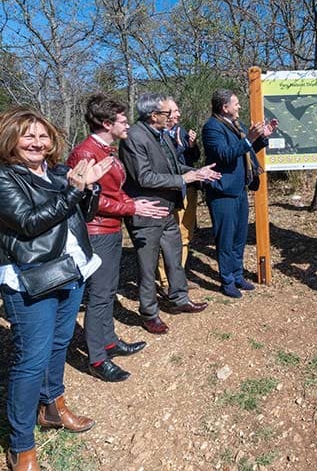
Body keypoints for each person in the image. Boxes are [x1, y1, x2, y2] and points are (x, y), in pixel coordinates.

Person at [0, 107, 111, 471]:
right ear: (10, 139)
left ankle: (52, 406)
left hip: (72, 271)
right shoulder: (5, 178)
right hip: (31, 279)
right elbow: (30, 224)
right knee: (30, 361)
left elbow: (84, 214)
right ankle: (21, 444)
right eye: (27, 135)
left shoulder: (59, 172)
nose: (37, 142)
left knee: (59, 344)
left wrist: (88, 187)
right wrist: (74, 191)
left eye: (42, 135)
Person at [67, 95, 169, 382]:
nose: (127, 124)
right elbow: (90, 201)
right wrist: (132, 206)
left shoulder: (106, 150)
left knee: (109, 290)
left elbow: (112, 192)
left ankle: (109, 341)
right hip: (96, 231)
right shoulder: (85, 153)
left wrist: (133, 202)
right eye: (123, 121)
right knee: (100, 295)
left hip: (111, 228)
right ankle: (97, 358)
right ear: (106, 123)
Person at [119, 93, 220, 334]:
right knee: (147, 265)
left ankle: (179, 298)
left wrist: (196, 172)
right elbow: (144, 176)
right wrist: (182, 179)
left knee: (175, 257)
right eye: (167, 113)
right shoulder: (134, 137)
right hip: (147, 212)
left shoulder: (161, 135)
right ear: (154, 115)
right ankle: (149, 313)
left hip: (167, 209)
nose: (172, 116)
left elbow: (174, 167)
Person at [202, 89, 278, 298]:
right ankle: (226, 281)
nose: (239, 107)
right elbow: (225, 155)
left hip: (239, 189)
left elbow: (247, 149)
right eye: (236, 104)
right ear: (225, 107)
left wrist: (262, 139)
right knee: (225, 239)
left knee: (239, 237)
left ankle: (237, 275)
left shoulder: (237, 125)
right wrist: (249, 139)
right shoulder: (212, 128)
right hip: (222, 192)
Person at [156, 97, 201, 294]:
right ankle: (166, 282)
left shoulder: (181, 131)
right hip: (169, 192)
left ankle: (178, 277)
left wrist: (191, 146)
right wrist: (180, 147)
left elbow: (192, 159)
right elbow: (167, 165)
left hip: (188, 189)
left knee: (184, 235)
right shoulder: (155, 136)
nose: (178, 115)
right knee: (166, 238)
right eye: (174, 111)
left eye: (177, 111)